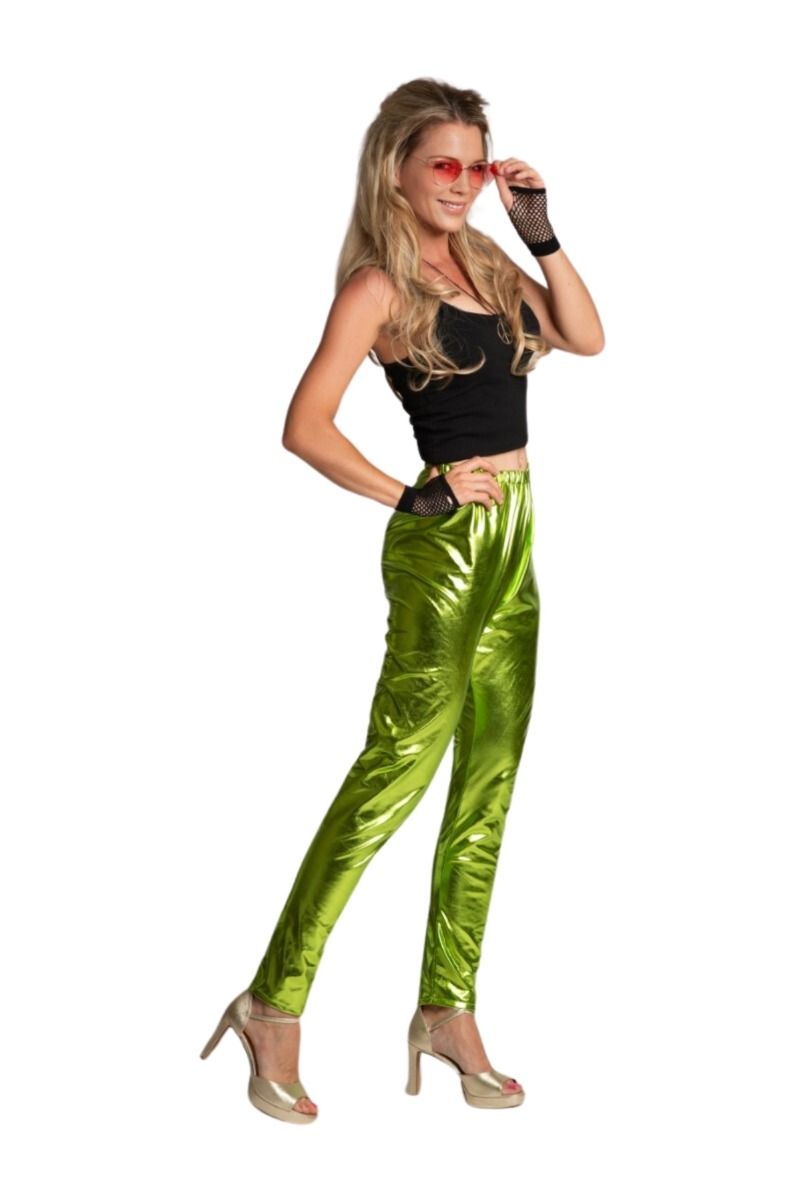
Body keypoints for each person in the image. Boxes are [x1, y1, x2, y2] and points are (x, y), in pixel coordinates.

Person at [199, 77, 604, 1125]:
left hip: (516, 535)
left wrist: (540, 230)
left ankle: (446, 1008)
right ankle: (273, 1001)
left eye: (475, 164)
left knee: (489, 781)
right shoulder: (377, 286)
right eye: (443, 165)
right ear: (396, 170)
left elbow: (585, 336)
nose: (461, 183)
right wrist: (411, 494)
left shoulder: (487, 261)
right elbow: (305, 425)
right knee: (393, 775)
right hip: (445, 547)